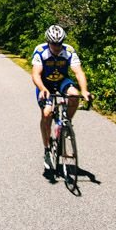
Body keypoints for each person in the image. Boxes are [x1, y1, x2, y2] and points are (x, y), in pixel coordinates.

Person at [31, 24, 91, 171]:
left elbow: (78, 72)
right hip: (45, 84)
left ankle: (65, 123)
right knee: (47, 113)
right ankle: (46, 149)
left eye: (59, 43)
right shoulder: (41, 51)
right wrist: (42, 88)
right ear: (48, 42)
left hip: (62, 81)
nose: (57, 47)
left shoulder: (69, 51)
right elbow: (36, 74)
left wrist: (84, 90)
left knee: (75, 95)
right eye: (54, 44)